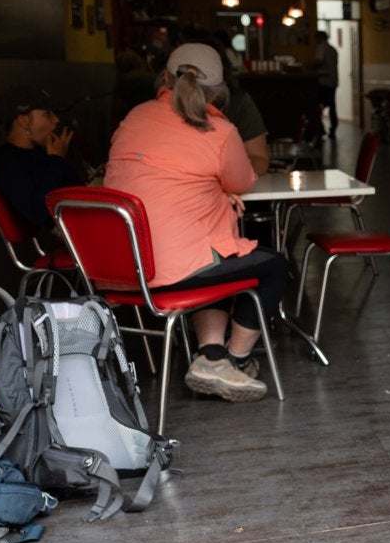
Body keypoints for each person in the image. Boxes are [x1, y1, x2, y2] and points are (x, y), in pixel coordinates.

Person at [103, 42, 288, 403]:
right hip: (175, 271)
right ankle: (236, 359)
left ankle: (212, 357)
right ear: (219, 91)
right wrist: (220, 190)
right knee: (274, 267)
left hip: (124, 269)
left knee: (215, 253)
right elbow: (242, 181)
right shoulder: (219, 131)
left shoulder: (135, 117)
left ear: (165, 79)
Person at [0, 85, 83, 232]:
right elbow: (37, 212)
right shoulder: (5, 162)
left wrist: (61, 159)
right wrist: (57, 161)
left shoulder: (41, 152)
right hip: (70, 234)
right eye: (47, 114)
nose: (56, 120)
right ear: (24, 121)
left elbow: (78, 189)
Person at [311, 29, 339, 140]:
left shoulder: (321, 47)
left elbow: (319, 62)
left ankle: (320, 128)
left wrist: (309, 66)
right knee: (332, 106)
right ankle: (333, 128)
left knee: (319, 105)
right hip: (333, 80)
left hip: (323, 81)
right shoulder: (333, 49)